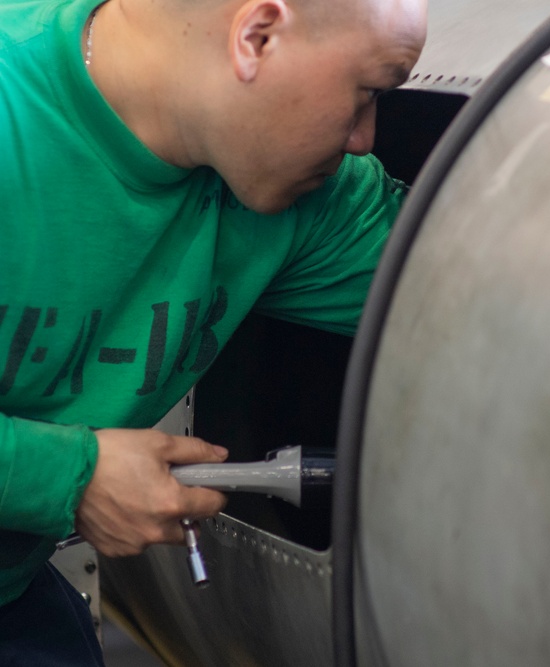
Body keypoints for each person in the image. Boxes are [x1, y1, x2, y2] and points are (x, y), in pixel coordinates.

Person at [0, 0, 426, 661]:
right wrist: (73, 477)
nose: (363, 138)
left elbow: (493, 297)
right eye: (366, 92)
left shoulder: (311, 202)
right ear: (256, 36)